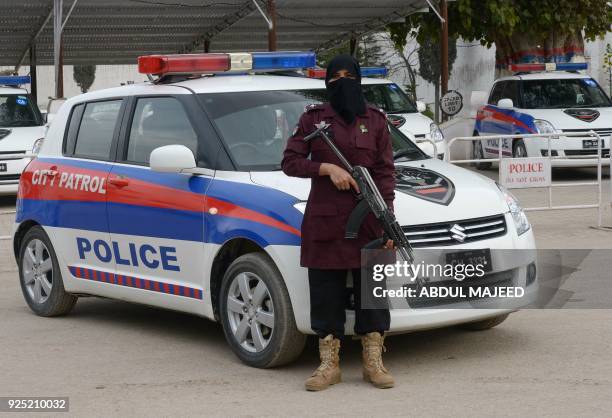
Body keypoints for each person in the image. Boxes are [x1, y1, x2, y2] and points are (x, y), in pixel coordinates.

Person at [282, 55, 396, 391]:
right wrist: (325, 169)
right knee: (326, 294)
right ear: (327, 81)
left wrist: (387, 217)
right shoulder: (313, 120)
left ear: (359, 79)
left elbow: (386, 172)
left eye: (349, 75)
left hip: (369, 223)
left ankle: (373, 362)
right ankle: (328, 365)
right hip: (325, 222)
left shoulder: (375, 121)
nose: (342, 81)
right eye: (336, 76)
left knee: (372, 295)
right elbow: (290, 161)